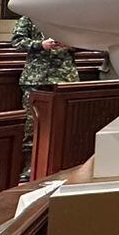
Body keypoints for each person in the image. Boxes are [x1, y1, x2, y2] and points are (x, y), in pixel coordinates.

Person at [11, 15, 79, 147]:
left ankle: (62, 152)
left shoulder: (70, 17)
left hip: (65, 76)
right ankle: (30, 154)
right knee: (32, 120)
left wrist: (71, 45)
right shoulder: (30, 17)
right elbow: (17, 41)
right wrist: (40, 44)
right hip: (36, 77)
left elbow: (87, 42)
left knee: (64, 119)